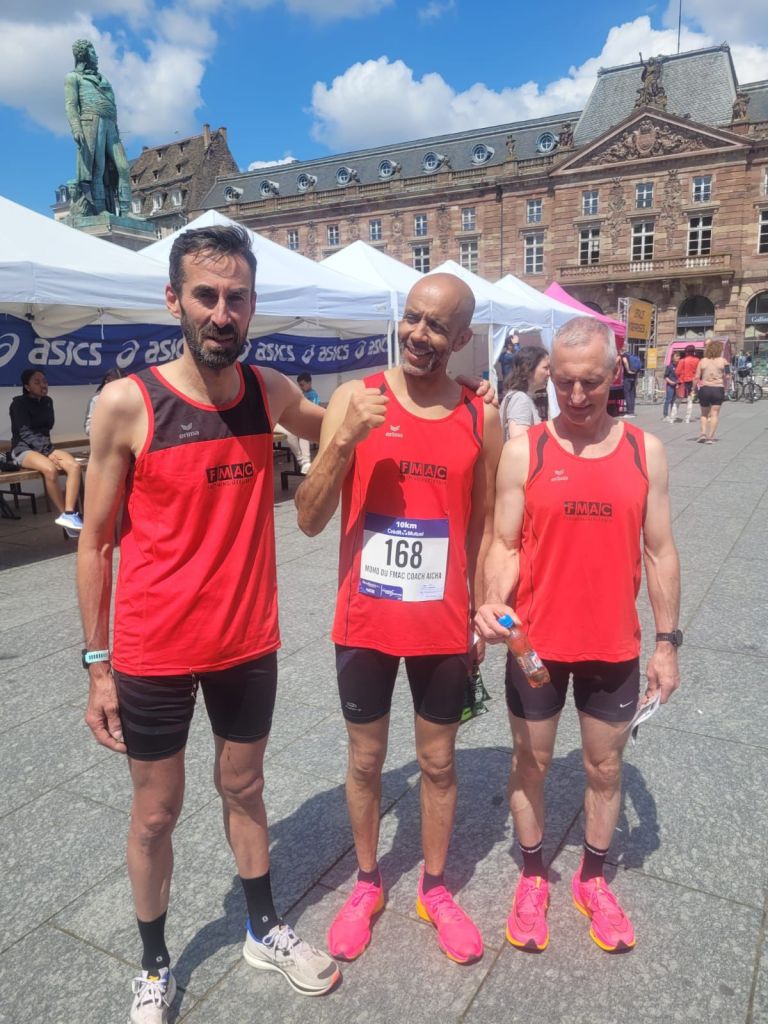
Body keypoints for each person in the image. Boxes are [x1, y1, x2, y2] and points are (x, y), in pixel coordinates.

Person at [77, 225, 339, 1024]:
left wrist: (429, 407)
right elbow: (94, 543)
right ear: (174, 301)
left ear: (253, 306)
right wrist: (97, 665)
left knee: (245, 786)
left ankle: (263, 927)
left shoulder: (268, 391)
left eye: (237, 298)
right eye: (206, 296)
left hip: (246, 641)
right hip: (152, 649)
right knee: (156, 813)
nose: (222, 313)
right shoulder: (128, 403)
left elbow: (336, 426)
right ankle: (154, 964)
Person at [294, 274, 503, 966]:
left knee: (438, 762)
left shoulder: (480, 416)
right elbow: (309, 519)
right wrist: (343, 441)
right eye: (413, 318)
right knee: (365, 759)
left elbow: (482, 525)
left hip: (442, 625)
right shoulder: (355, 398)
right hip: (365, 621)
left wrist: (478, 608)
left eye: (437, 325)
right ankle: (366, 881)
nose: (419, 333)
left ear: (461, 337)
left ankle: (435, 888)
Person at [476, 317, 680, 956]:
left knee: (604, 766)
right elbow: (505, 542)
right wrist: (492, 600)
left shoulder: (644, 451)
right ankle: (533, 873)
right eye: (563, 381)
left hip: (612, 647)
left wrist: (667, 643)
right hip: (534, 647)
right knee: (531, 762)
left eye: (590, 381)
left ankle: (593, 879)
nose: (577, 395)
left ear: (615, 373)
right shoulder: (526, 450)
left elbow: (660, 551)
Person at [9, 369, 83, 534]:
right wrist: (47, 452)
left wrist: (47, 450)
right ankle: (64, 516)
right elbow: (25, 433)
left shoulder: (48, 401)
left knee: (74, 466)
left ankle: (69, 513)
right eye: (37, 382)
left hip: (45, 447)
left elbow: (47, 427)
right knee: (50, 469)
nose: (43, 385)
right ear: (27, 387)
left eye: (44, 381)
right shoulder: (18, 404)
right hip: (23, 449)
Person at [64, 39, 132, 216]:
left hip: (110, 124)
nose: (97, 56)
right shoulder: (73, 77)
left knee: (123, 167)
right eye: (93, 52)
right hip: (91, 122)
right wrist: (76, 128)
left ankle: (126, 210)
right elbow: (71, 105)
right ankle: (100, 208)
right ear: (84, 54)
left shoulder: (104, 78)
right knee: (98, 167)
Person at [499, 346, 550, 441]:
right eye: (545, 368)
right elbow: (518, 443)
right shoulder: (520, 399)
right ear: (528, 369)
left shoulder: (518, 397)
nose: (549, 373)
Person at [275, 372, 321, 474]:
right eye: (299, 385)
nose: (301, 387)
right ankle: (303, 461)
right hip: (292, 421)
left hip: (306, 421)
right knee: (294, 433)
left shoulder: (312, 395)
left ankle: (305, 462)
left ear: (309, 383)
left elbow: (310, 411)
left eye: (302, 385)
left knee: (302, 432)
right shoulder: (300, 394)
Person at [694, 339, 730, 444]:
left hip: (705, 388)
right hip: (718, 389)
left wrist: (693, 389)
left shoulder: (702, 361)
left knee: (704, 414)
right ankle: (711, 437)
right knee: (714, 414)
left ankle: (703, 434)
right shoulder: (724, 361)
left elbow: (696, 377)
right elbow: (728, 376)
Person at [84, 368, 123, 435]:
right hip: (104, 438)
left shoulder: (130, 400)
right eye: (114, 384)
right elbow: (88, 428)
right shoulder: (96, 400)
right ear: (106, 382)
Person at [675, 344, 700, 424]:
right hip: (693, 383)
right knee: (690, 400)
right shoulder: (697, 360)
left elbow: (677, 372)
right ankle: (687, 418)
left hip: (683, 383)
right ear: (693, 352)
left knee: (678, 400)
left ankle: (673, 416)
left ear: (686, 352)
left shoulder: (682, 361)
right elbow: (699, 372)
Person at [619, 347, 641, 417]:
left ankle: (629, 412)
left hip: (627, 378)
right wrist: (636, 379)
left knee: (627, 394)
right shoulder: (631, 355)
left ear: (621, 350)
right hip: (633, 377)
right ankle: (632, 411)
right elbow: (637, 369)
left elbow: (625, 362)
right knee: (632, 395)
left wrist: (628, 370)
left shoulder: (624, 356)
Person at [662, 350, 681, 423]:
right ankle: (665, 415)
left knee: (674, 400)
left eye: (679, 356)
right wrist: (671, 382)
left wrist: (678, 383)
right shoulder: (669, 366)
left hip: (676, 386)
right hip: (670, 386)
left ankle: (673, 414)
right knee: (668, 400)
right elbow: (665, 376)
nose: (678, 357)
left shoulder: (679, 366)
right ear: (672, 358)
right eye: (677, 356)